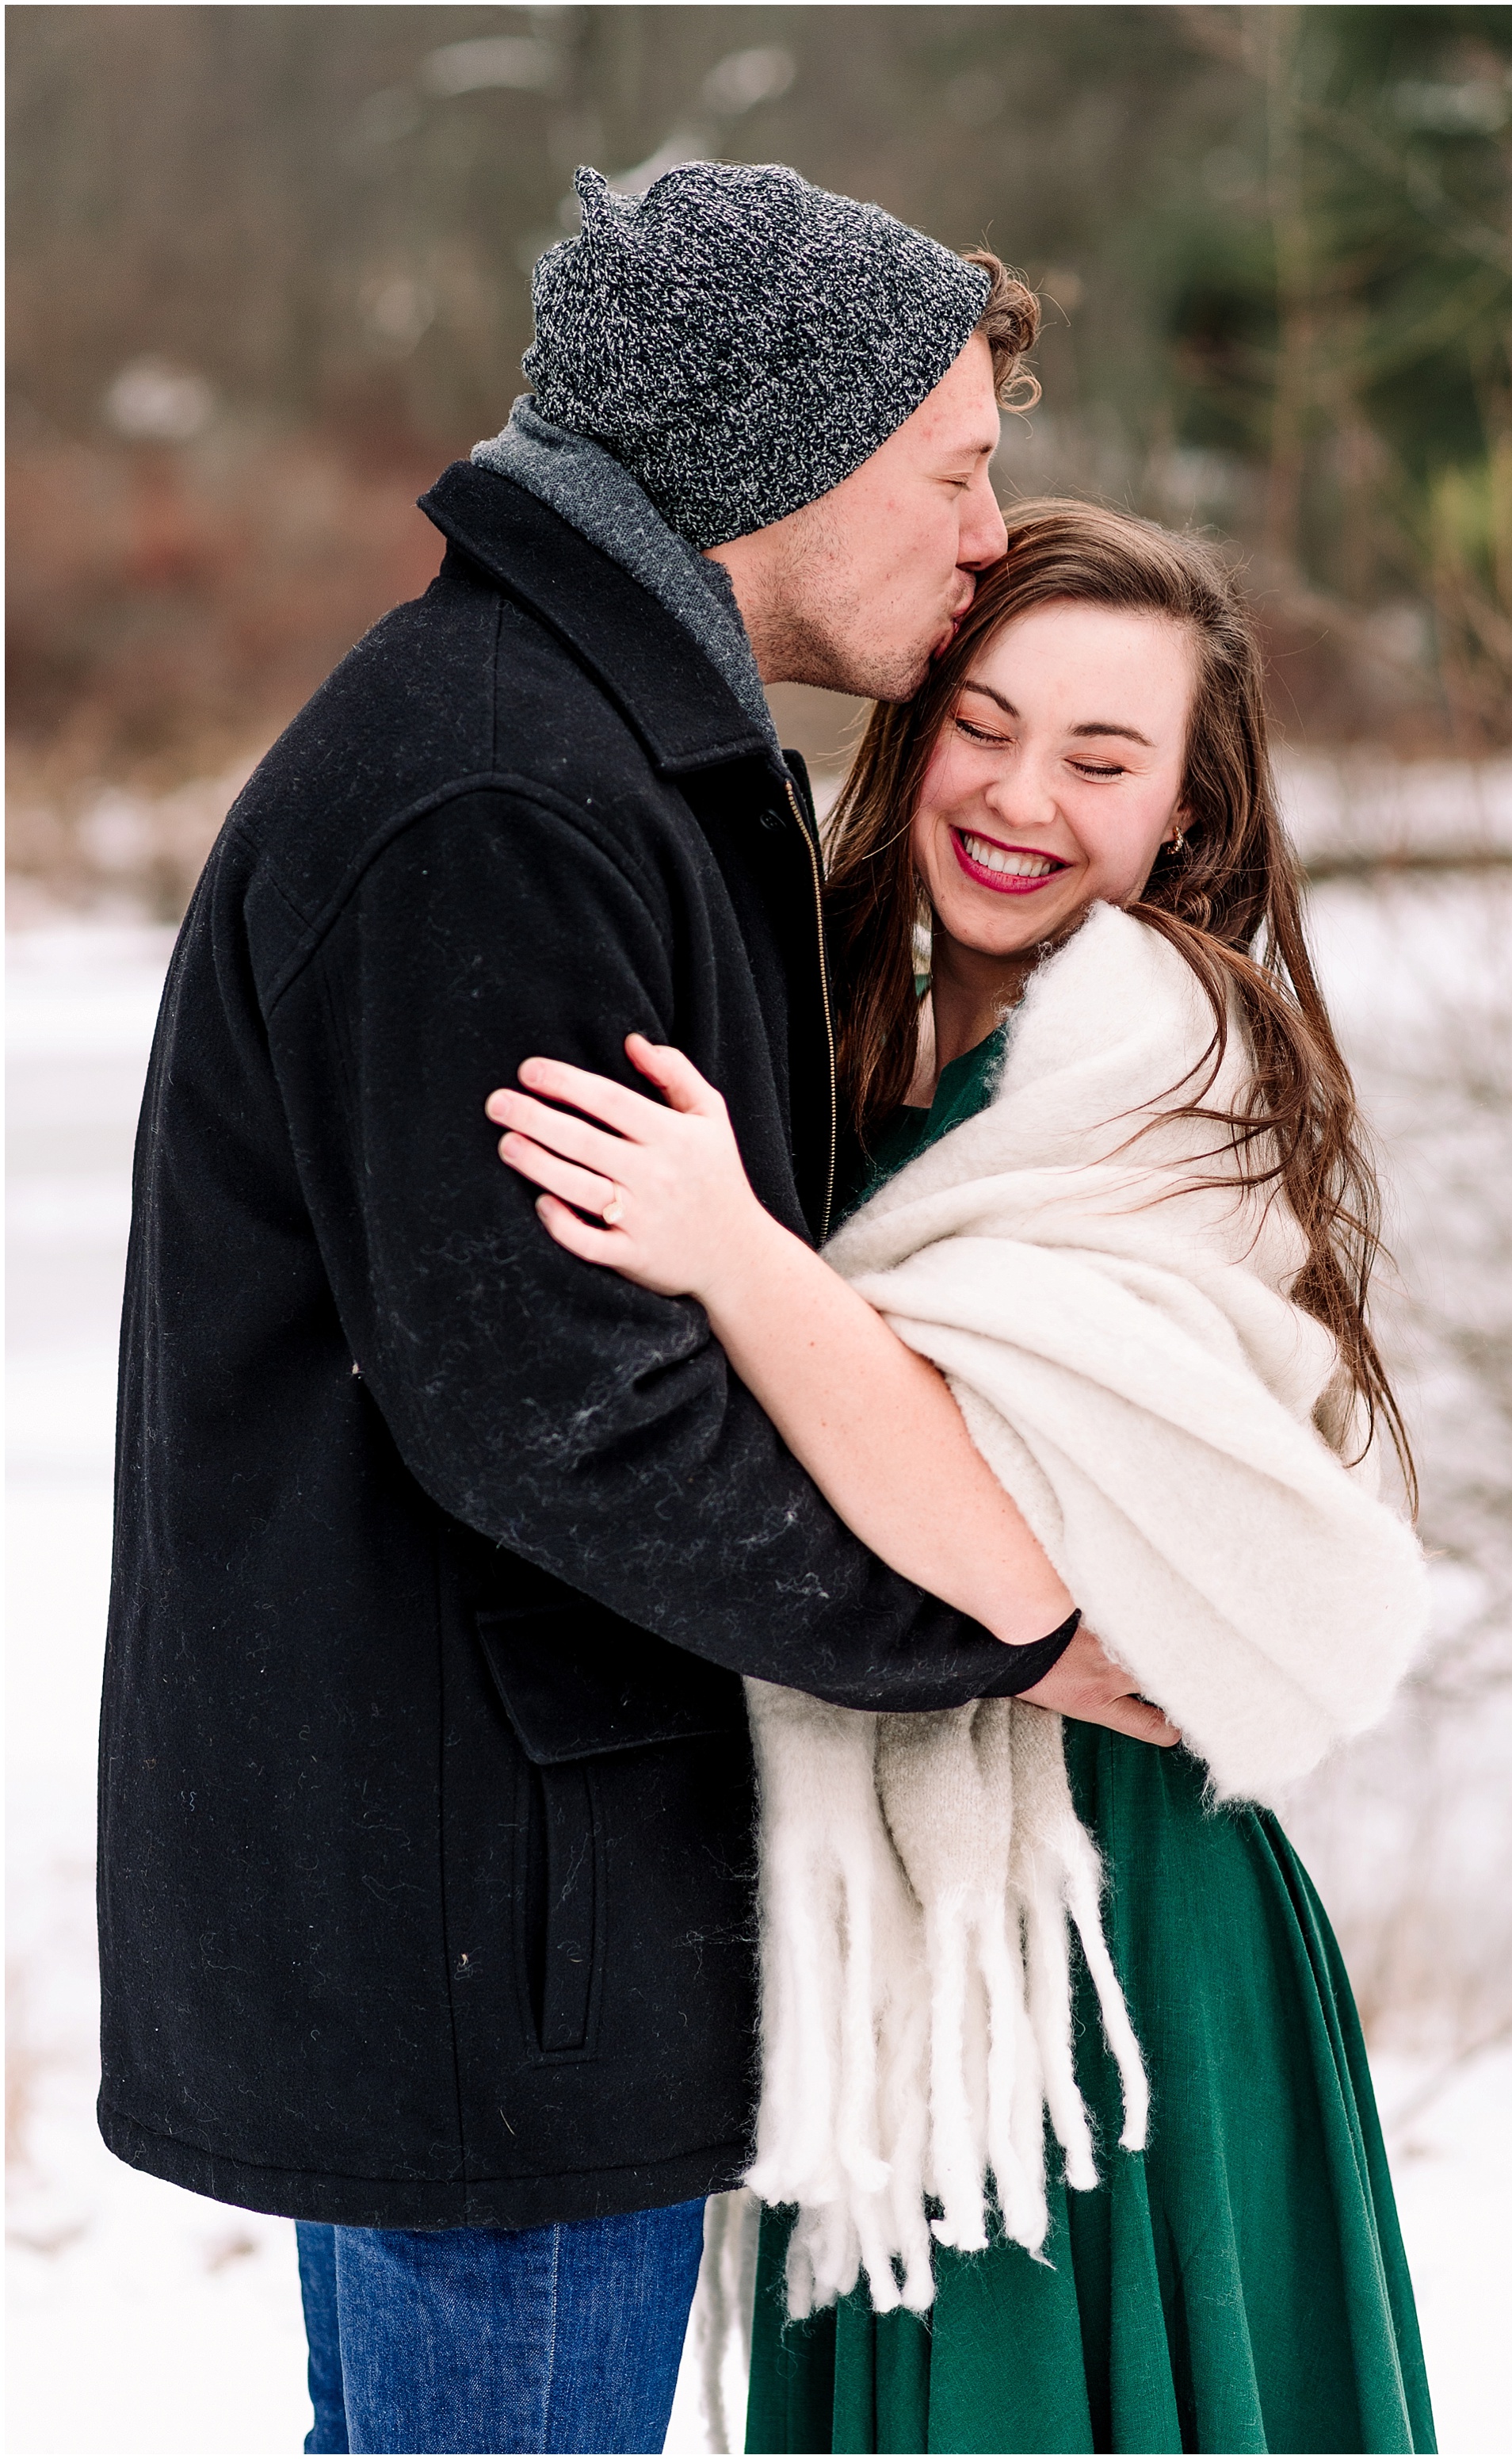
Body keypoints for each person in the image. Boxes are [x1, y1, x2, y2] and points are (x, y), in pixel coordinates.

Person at [97, 163, 1177, 2459]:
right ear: (780, 446)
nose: (989, 530)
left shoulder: (587, 748)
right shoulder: (498, 794)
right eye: (953, 471)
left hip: (505, 1884)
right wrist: (988, 1623)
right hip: (488, 1915)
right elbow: (559, 1413)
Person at [488, 500, 1439, 2453]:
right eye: (982, 726)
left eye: (1101, 760)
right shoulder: (837, 1018)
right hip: (892, 1907)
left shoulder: (1164, 1069)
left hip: (1094, 1921)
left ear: (1186, 812)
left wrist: (734, 1252)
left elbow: (1003, 1541)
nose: (1018, 797)